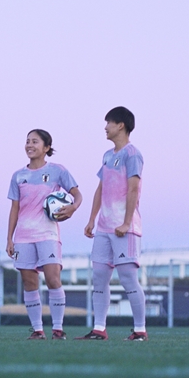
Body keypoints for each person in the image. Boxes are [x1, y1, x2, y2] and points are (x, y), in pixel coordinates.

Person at [77, 106, 147, 341]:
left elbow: (134, 188)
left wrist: (126, 223)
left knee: (128, 278)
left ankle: (140, 330)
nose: (105, 127)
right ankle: (99, 328)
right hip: (104, 229)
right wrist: (91, 219)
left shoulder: (133, 154)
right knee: (99, 277)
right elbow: (100, 188)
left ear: (121, 125)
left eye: (108, 123)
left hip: (125, 229)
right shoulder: (107, 156)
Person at [6, 129, 82, 340]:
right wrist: (9, 238)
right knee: (30, 282)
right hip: (23, 236)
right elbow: (14, 209)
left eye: (35, 142)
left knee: (52, 279)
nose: (30, 145)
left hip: (48, 234)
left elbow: (77, 194)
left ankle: (58, 328)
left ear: (46, 147)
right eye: (27, 141)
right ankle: (37, 330)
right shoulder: (18, 175)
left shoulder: (58, 171)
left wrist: (72, 208)